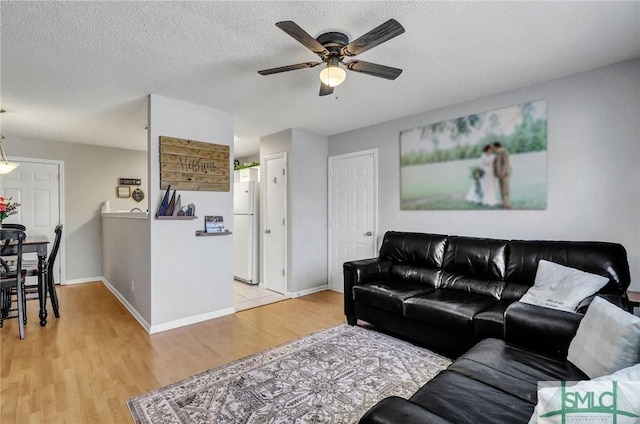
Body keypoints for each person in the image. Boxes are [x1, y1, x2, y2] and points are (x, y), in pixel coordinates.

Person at [492, 142, 512, 209]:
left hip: (505, 173)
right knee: (501, 189)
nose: (492, 148)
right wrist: (497, 173)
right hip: (500, 174)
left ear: (496, 146)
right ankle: (503, 203)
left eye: (493, 147)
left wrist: (505, 172)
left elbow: (506, 162)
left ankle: (507, 204)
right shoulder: (497, 153)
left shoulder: (504, 151)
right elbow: (496, 164)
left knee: (506, 189)